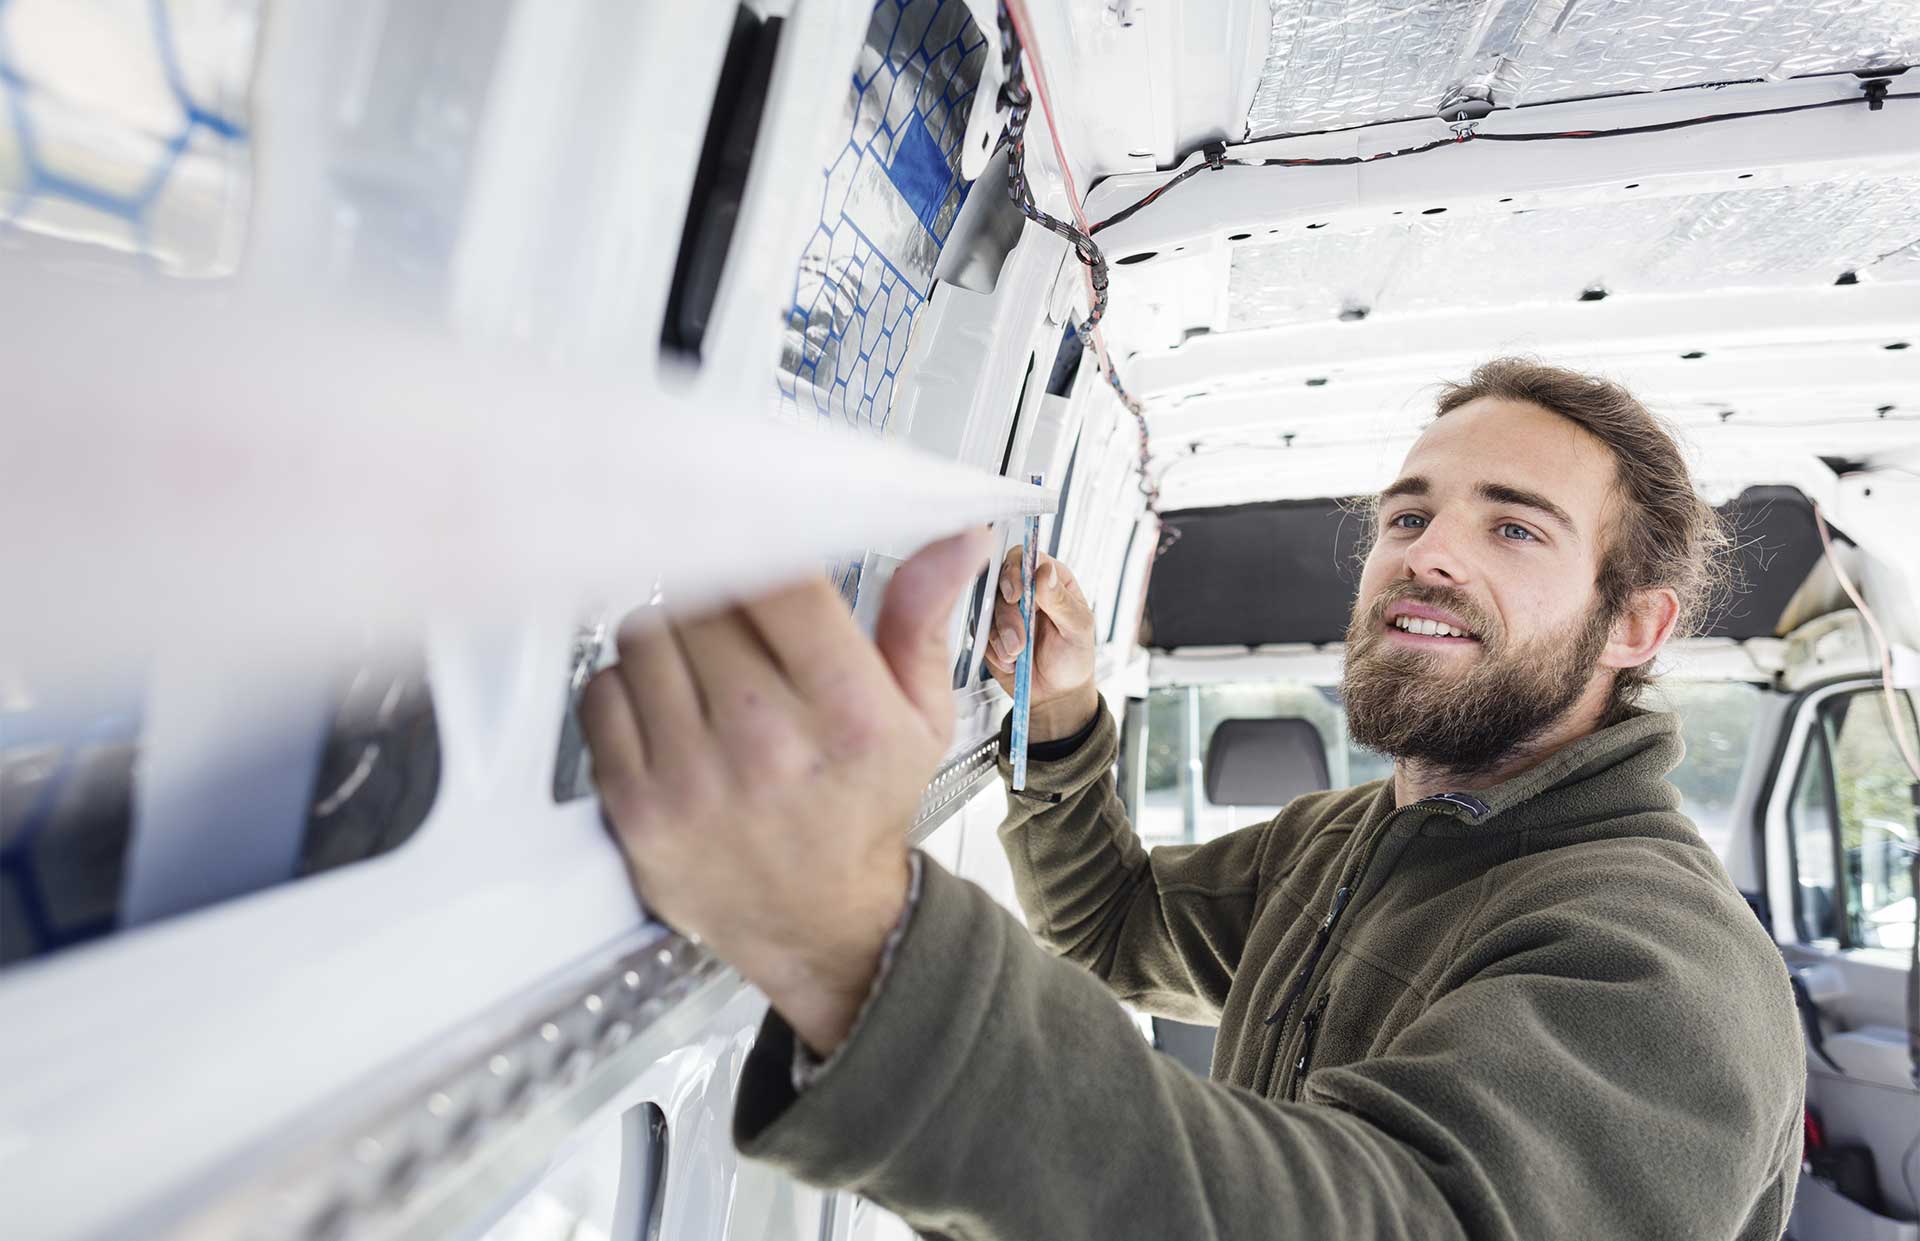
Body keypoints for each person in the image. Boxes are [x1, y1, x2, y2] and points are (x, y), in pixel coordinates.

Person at [580, 358, 1804, 1240]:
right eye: (1410, 513)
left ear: (1633, 626)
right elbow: (1114, 927)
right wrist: (1058, 715)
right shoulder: (1350, 840)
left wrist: (851, 940)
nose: (1430, 551)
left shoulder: (1657, 956)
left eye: (1517, 529)